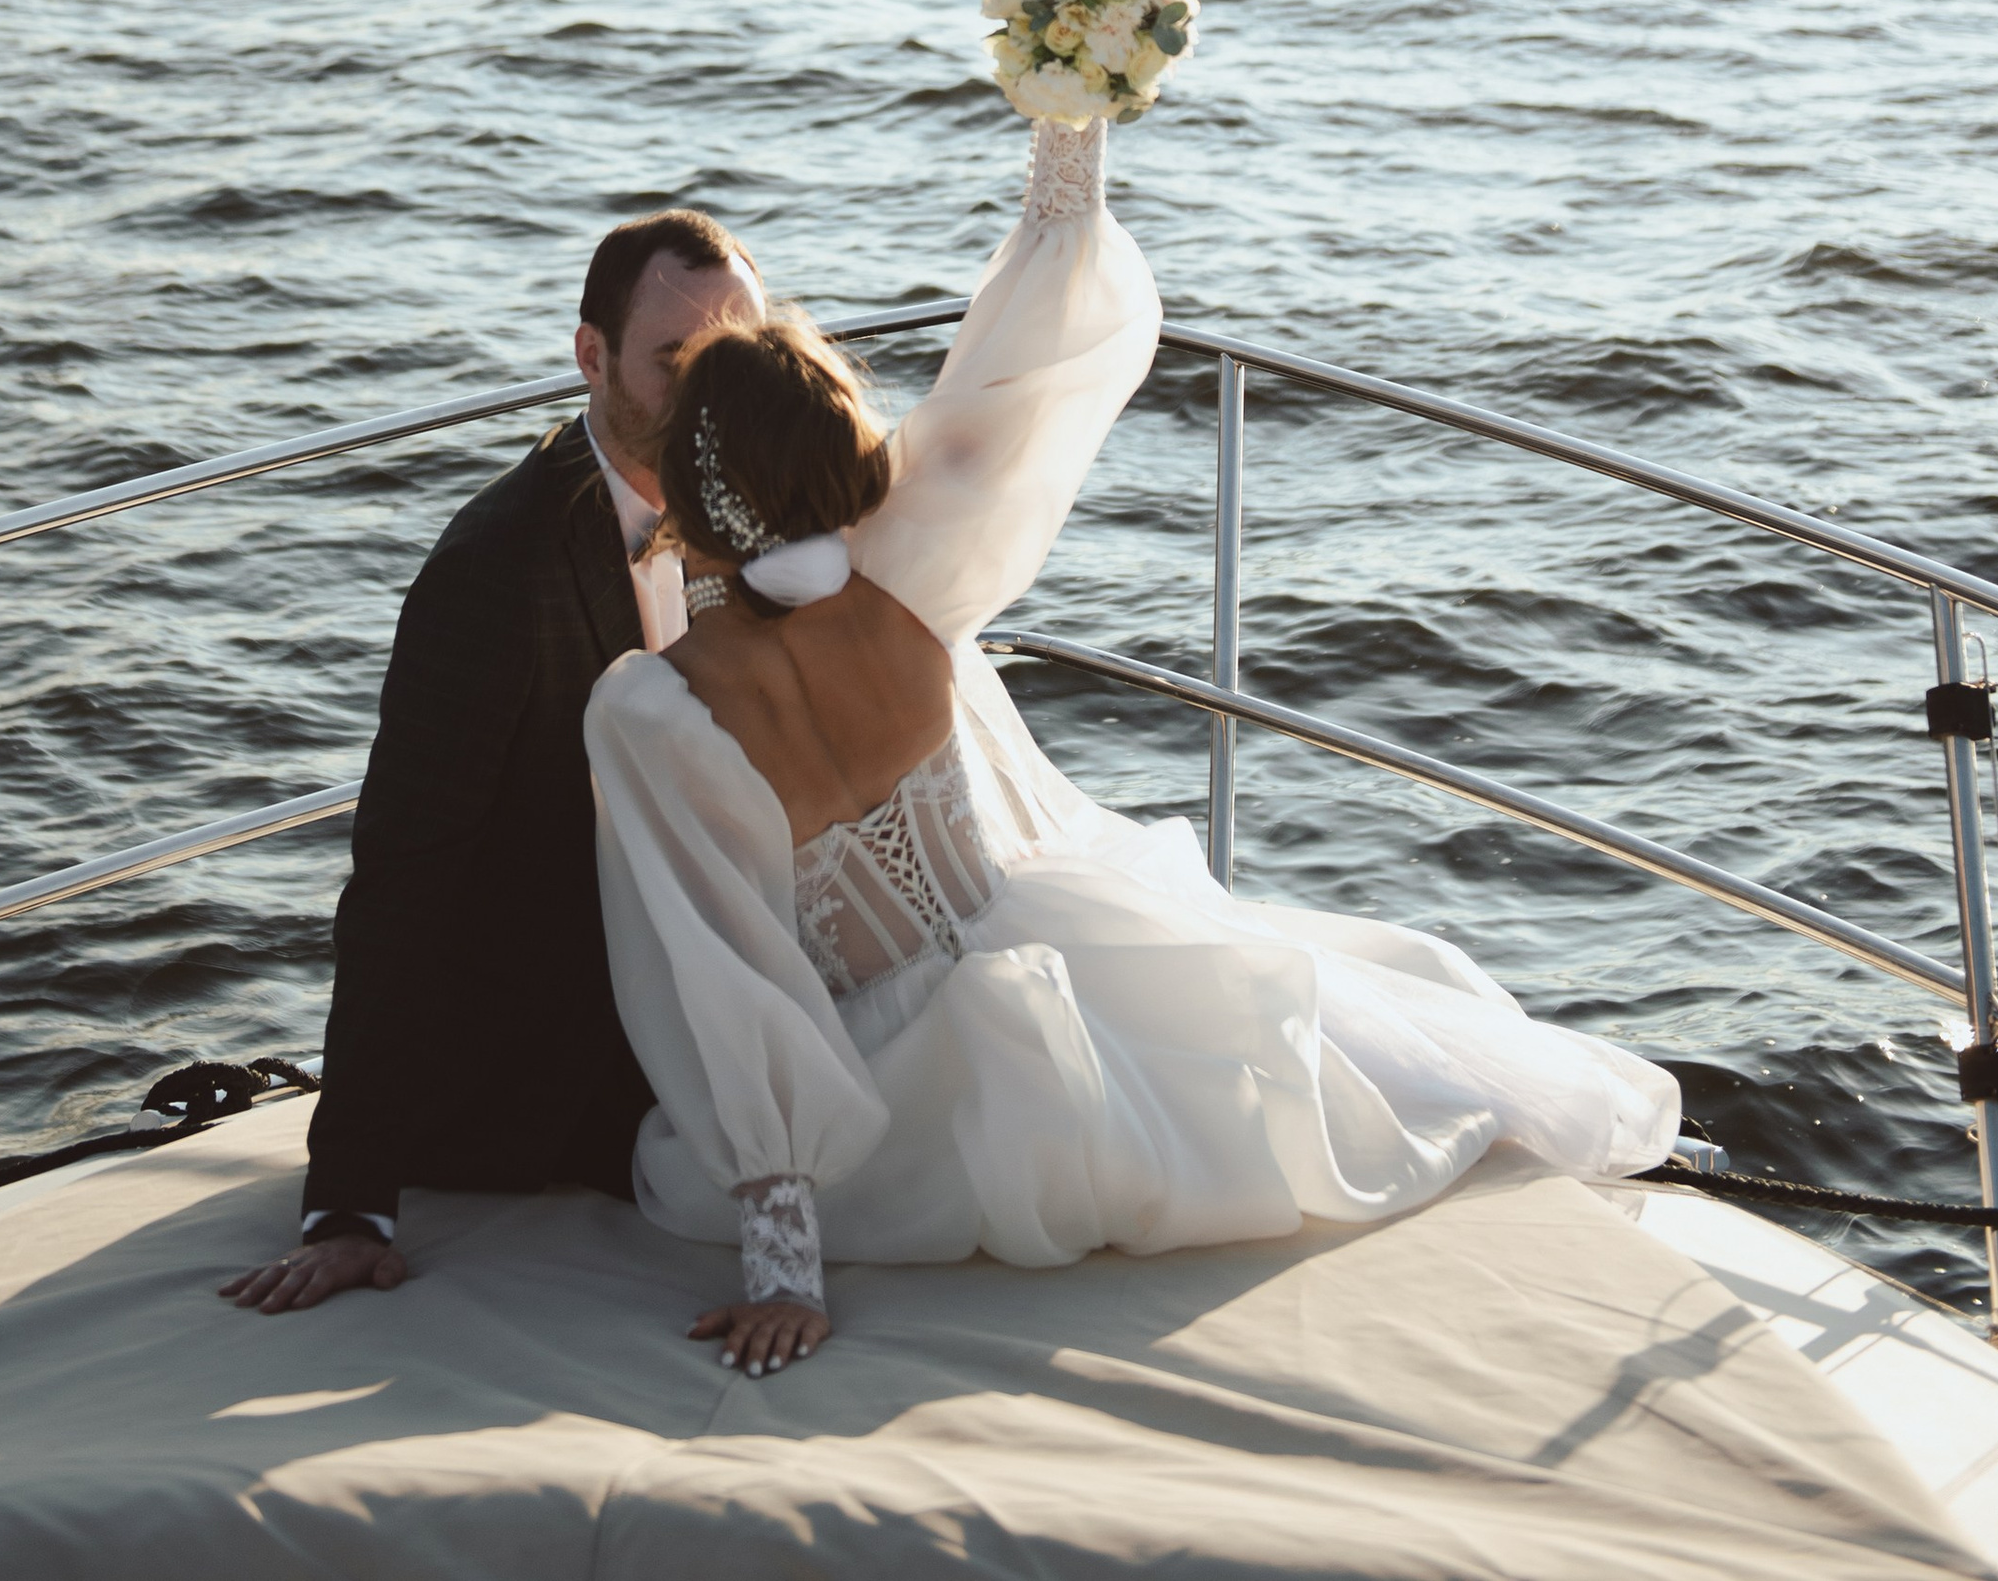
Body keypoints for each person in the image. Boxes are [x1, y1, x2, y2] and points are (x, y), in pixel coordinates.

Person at [585, 115, 1679, 1377]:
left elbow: (731, 980)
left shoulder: (654, 710)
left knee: (688, 1174)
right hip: (1050, 954)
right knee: (1320, 1040)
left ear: (689, 480)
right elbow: (1009, 392)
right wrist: (1069, 141)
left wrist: (786, 1271)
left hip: (902, 1091)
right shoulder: (907, 582)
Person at [221, 207, 765, 1316]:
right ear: (591, 356)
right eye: (675, 361)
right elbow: (402, 882)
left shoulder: (751, 503)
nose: (712, 394)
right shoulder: (497, 570)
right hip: (557, 1070)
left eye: (736, 357)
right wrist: (350, 1205)